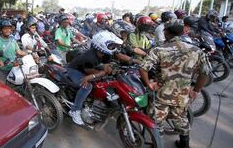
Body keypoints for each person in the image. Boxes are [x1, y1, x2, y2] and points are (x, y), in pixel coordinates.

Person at [139, 19, 209, 148]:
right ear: (182, 32)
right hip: (182, 95)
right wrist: (196, 90)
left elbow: (143, 68)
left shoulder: (159, 49)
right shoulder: (196, 50)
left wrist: (149, 83)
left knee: (156, 121)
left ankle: (157, 145)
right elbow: (205, 73)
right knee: (181, 118)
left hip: (161, 94)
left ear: (166, 32)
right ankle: (184, 144)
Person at [67, 30, 122, 125]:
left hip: (91, 68)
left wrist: (105, 70)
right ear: (101, 44)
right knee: (87, 87)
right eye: (111, 45)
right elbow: (92, 73)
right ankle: (75, 110)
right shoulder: (89, 56)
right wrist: (101, 72)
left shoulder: (106, 54)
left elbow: (106, 67)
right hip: (75, 70)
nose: (113, 47)